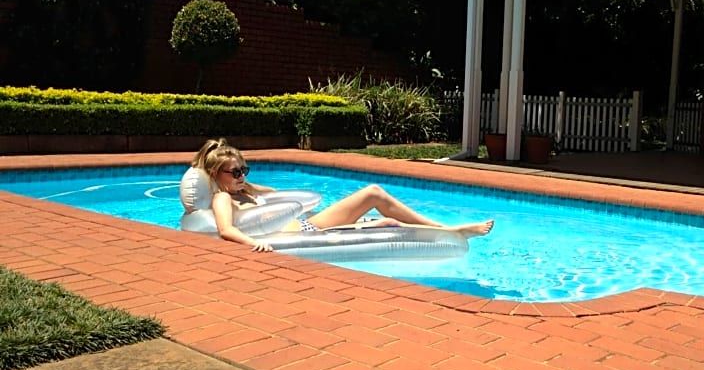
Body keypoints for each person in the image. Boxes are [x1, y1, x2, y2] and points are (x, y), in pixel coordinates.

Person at [191, 138, 494, 252]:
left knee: (379, 207)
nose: (242, 176)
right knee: (380, 209)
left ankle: (447, 229)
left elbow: (277, 195)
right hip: (305, 234)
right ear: (216, 175)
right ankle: (450, 230)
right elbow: (225, 229)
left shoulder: (243, 189)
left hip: (309, 224)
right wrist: (254, 243)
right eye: (235, 172)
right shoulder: (222, 198)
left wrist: (249, 186)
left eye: (244, 169)